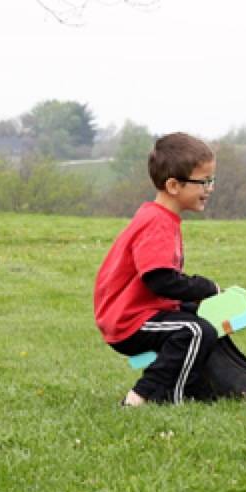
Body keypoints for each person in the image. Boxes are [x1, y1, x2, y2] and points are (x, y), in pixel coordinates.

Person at [94, 132, 221, 406]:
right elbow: (160, 280)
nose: (210, 188)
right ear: (174, 185)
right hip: (131, 319)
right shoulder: (157, 223)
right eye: (204, 182)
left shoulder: (161, 218)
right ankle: (144, 395)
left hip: (143, 311)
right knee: (195, 331)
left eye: (212, 180)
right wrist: (206, 287)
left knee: (202, 320)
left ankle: (196, 388)